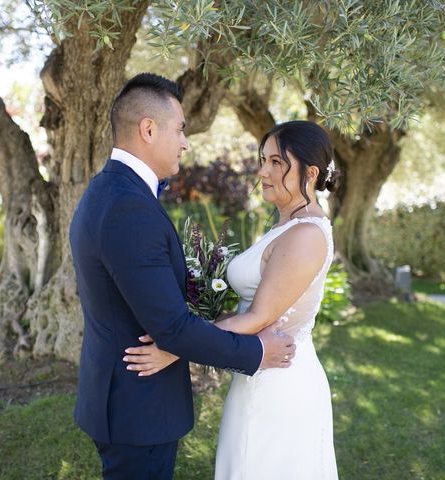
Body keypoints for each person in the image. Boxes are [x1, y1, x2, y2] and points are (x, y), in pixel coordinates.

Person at [69, 72, 296, 480]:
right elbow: (172, 328)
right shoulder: (128, 207)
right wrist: (258, 353)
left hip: (121, 398)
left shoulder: (107, 190)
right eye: (180, 129)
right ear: (149, 129)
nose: (186, 142)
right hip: (137, 408)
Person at [125, 120, 340, 479]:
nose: (263, 171)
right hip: (259, 371)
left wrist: (174, 346)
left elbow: (258, 317)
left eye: (276, 162)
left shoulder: (306, 235)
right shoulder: (285, 225)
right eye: (263, 160)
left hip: (279, 383)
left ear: (311, 172)